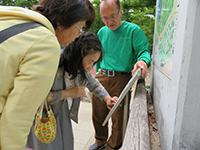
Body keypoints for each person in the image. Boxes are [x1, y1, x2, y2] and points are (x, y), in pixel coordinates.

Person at [0, 0, 95, 150]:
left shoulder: (12, 19)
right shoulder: (46, 43)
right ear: (64, 20)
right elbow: (16, 118)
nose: (77, 36)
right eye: (79, 28)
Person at [26, 32, 118, 150]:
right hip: (44, 116)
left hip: (63, 114)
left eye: (94, 63)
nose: (91, 67)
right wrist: (69, 93)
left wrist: (107, 99)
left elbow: (94, 84)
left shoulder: (81, 69)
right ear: (79, 55)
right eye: (90, 61)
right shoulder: (52, 63)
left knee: (66, 145)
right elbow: (36, 97)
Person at [89, 0, 151, 149]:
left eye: (113, 16)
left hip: (121, 77)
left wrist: (142, 61)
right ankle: (100, 141)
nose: (109, 21)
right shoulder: (101, 32)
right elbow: (98, 55)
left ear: (120, 12)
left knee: (119, 117)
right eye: (104, 18)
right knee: (98, 113)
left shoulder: (133, 30)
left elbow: (144, 50)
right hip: (102, 75)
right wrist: (96, 71)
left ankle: (113, 146)